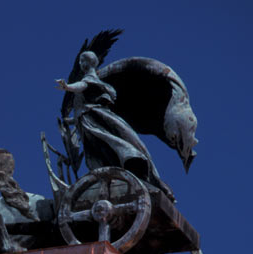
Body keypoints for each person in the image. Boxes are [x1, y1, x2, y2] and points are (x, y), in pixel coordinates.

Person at [56, 51, 172, 199]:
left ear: (86, 63)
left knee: (106, 147)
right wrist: (70, 121)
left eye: (81, 61)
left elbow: (82, 86)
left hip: (93, 122)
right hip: (89, 121)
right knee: (104, 150)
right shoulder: (94, 89)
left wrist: (67, 86)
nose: (80, 64)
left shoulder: (89, 79)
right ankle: (124, 176)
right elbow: (83, 109)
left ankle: (133, 174)